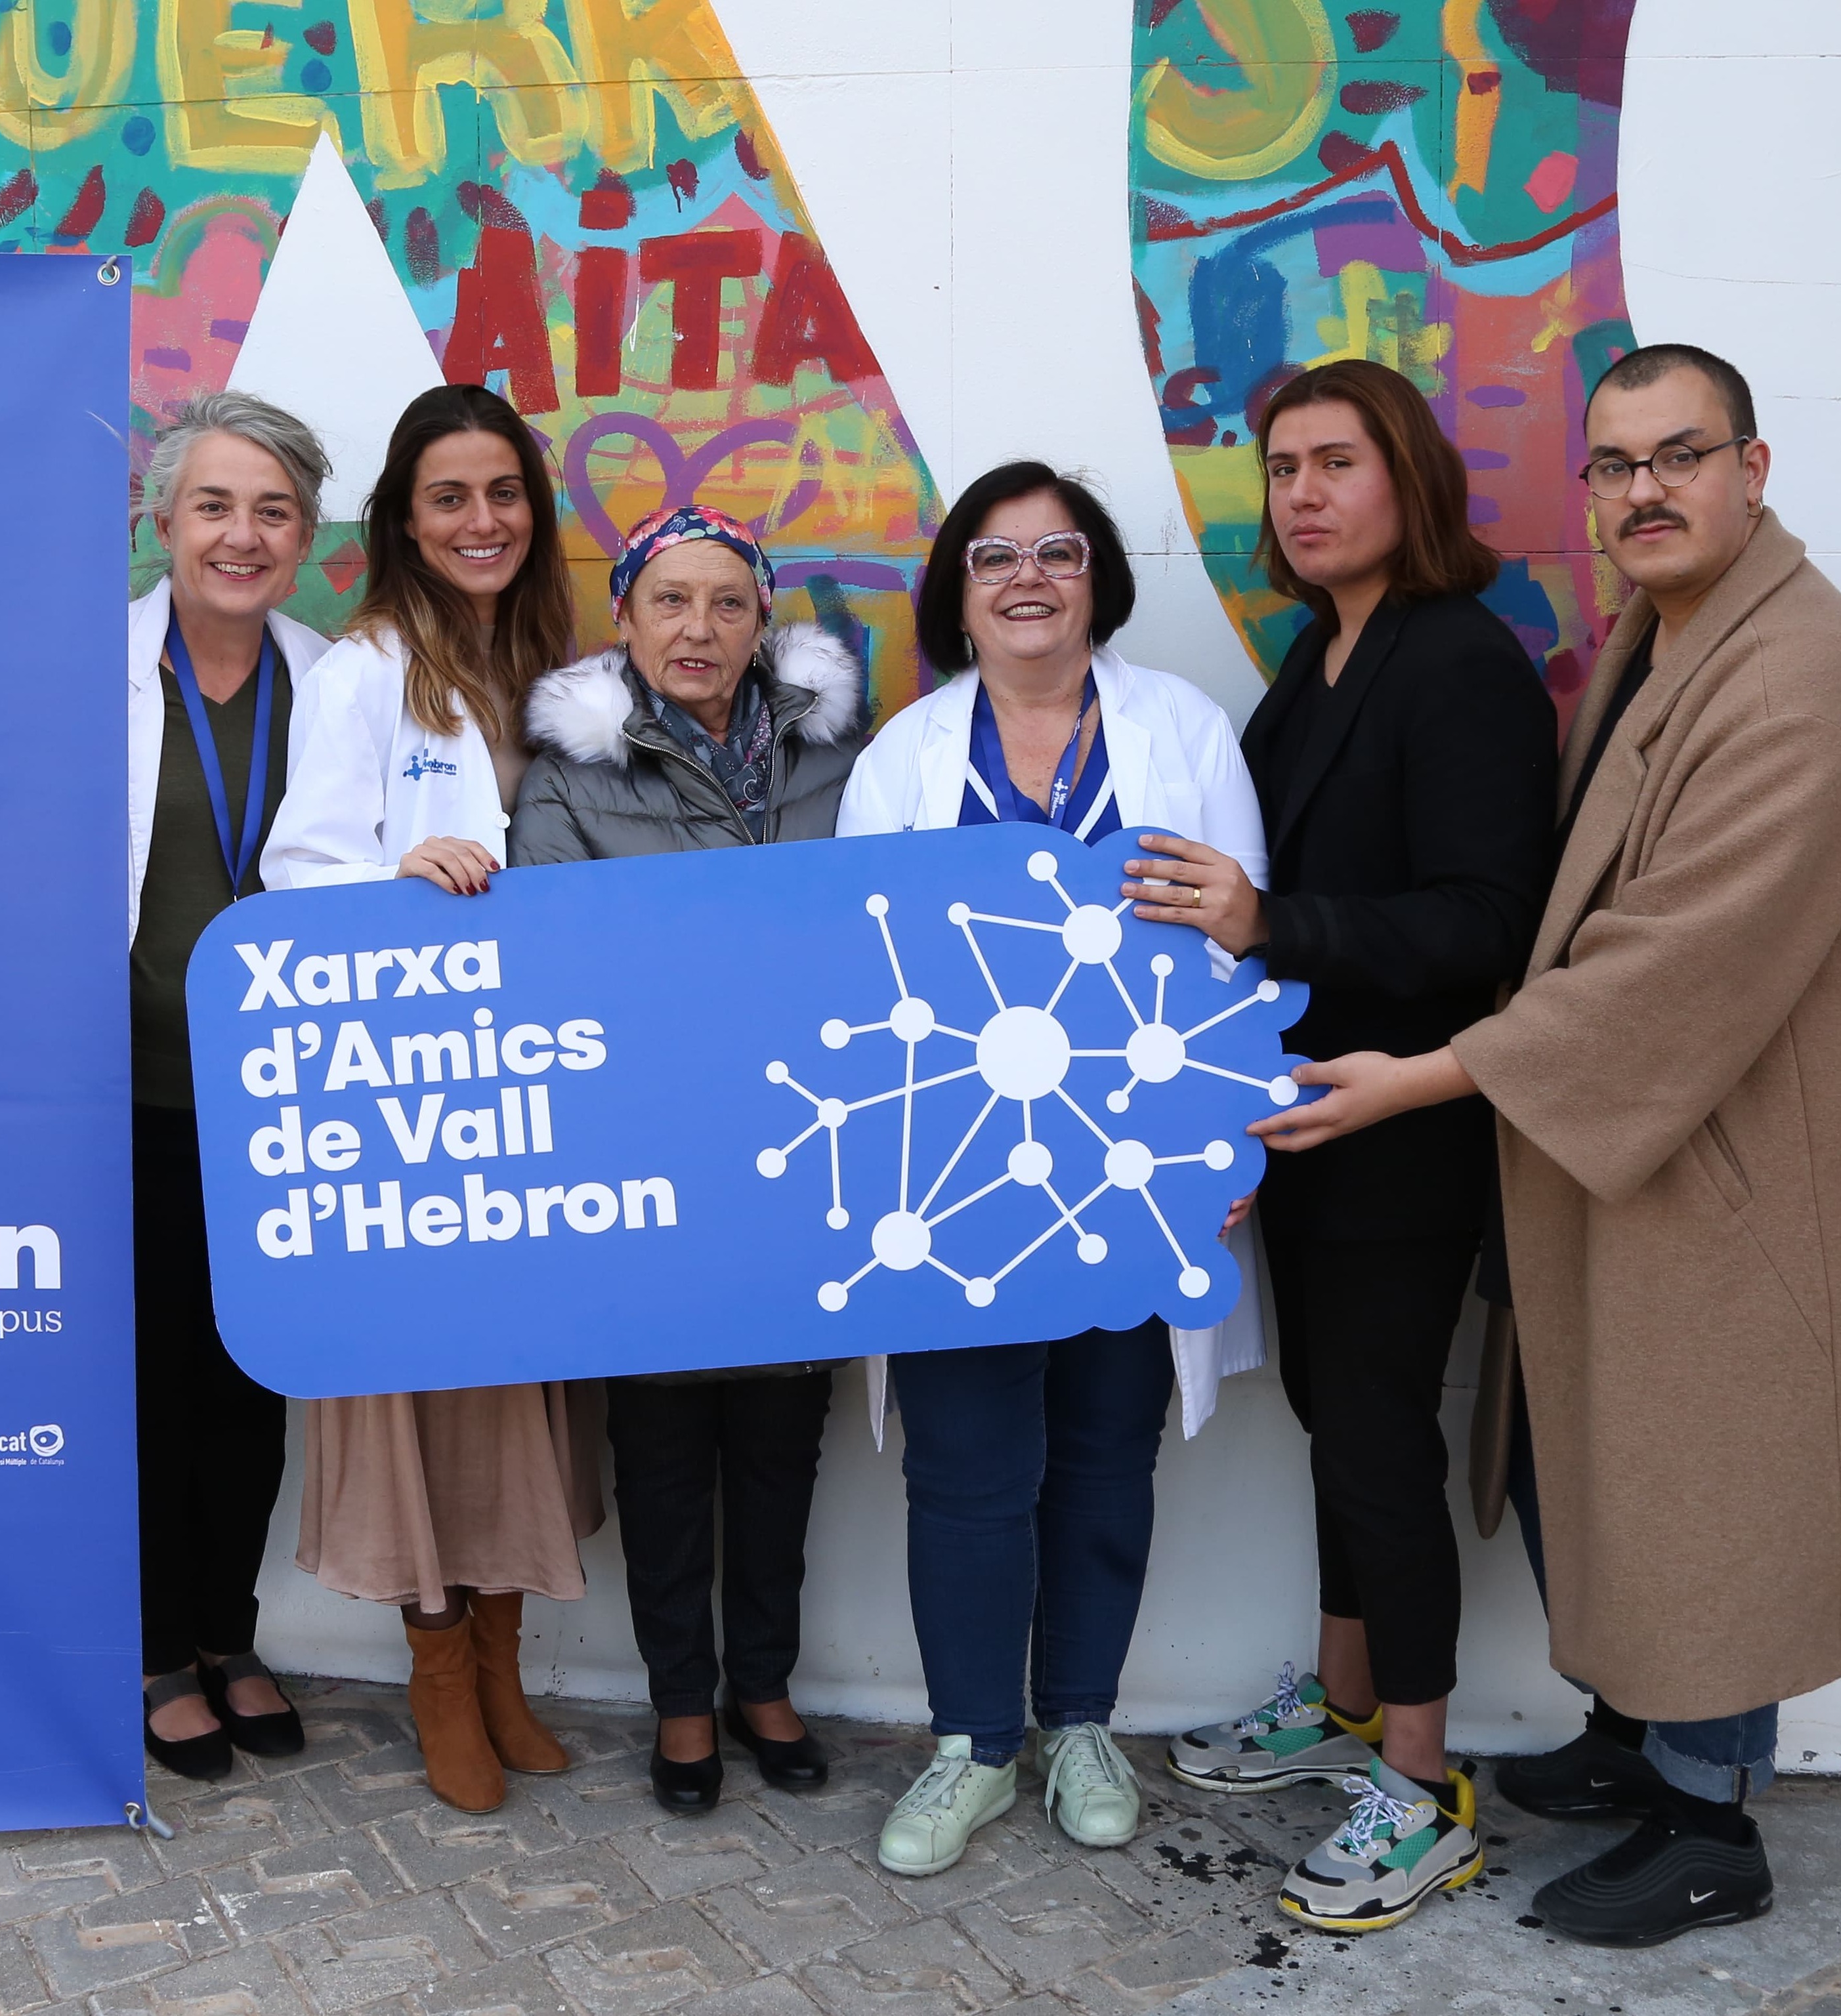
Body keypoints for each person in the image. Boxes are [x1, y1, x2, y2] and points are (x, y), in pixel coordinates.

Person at [1250, 343, 1841, 1946]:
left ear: (1753, 469)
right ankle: (1641, 1746)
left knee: (1721, 1473)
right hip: (1637, 1139)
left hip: (1740, 1161)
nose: (1645, 491)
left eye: (1680, 456)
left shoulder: (1805, 680)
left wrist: (1424, 1078)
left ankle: (1710, 1824)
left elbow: (1669, 966)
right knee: (1619, 1457)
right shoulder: (1670, 635)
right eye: (1616, 466)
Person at [1132, 358, 1555, 1933]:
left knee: (1378, 1441)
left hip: (1403, 1128)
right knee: (1336, 1421)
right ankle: (1347, 1697)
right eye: (1283, 468)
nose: (1303, 494)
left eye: (1337, 462)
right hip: (1304, 1122)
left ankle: (1426, 1790)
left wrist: (1270, 922)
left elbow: (1486, 919)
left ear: (1410, 479)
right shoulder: (1322, 655)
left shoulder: (1461, 663)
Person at [835, 462, 1269, 1878]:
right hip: (954, 1178)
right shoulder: (905, 757)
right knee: (968, 1466)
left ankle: (1079, 1723)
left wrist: (1228, 1143)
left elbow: (1237, 947)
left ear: (1099, 582)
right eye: (996, 556)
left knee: (1101, 1450)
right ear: (958, 592)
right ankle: (973, 1744)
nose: (1028, 578)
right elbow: (855, 970)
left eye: (1060, 553)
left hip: (1137, 1169)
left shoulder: (1181, 731)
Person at [257, 383, 598, 1816]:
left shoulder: (548, 667)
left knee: (511, 1388)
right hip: (413, 1105)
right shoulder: (363, 672)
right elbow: (294, 871)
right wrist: (390, 879)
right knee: (417, 1389)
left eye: (503, 493)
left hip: (529, 1095)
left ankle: (503, 1663)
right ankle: (439, 1673)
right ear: (403, 518)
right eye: (448, 497)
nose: (481, 520)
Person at [511, 502, 866, 1815]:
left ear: (763, 620)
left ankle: (763, 1686)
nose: (699, 627)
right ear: (625, 618)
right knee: (661, 1453)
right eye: (671, 600)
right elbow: (550, 968)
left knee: (781, 1447)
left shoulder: (843, 757)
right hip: (649, 1163)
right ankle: (679, 1701)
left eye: (727, 602)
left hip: (806, 1156)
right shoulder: (568, 776)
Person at [125, 390, 334, 1782]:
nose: (241, 536)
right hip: (127, 1093)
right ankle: (151, 1647)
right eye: (214, 506)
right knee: (148, 1379)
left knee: (252, 1384)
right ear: (164, 520)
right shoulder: (90, 670)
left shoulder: (338, 683)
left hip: (280, 1100)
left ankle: (228, 1631)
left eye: (272, 510)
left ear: (307, 535)